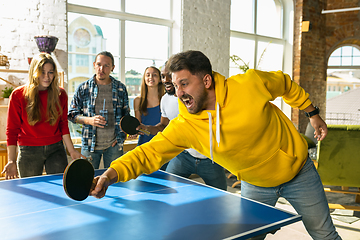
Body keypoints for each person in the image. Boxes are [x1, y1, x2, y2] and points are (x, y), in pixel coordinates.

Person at [90, 50, 341, 240]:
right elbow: (148, 153)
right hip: (256, 185)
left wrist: (312, 112)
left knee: (325, 235)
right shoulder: (186, 125)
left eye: (184, 83)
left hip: (298, 172)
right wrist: (111, 174)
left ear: (207, 81)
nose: (179, 93)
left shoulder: (249, 85)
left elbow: (285, 84)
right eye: (175, 86)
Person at [140, 63, 227, 190]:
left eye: (169, 76)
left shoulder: (196, 97)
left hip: (210, 158)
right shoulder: (165, 100)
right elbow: (164, 125)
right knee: (167, 189)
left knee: (223, 197)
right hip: (183, 155)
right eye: (163, 76)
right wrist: (145, 128)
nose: (166, 80)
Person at [2, 53, 85, 179]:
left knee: (59, 188)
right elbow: (12, 130)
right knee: (30, 191)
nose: (47, 77)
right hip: (28, 150)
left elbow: (63, 125)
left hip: (56, 148)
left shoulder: (60, 94)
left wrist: (72, 150)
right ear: (34, 72)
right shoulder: (18, 95)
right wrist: (11, 160)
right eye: (42, 72)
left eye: (50, 72)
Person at [68, 51, 130, 169]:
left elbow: (126, 115)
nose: (102, 68)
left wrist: (122, 136)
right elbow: (71, 114)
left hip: (114, 145)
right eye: (99, 64)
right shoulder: (83, 88)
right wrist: (89, 120)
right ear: (94, 65)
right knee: (87, 181)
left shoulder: (120, 88)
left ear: (112, 68)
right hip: (89, 144)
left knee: (114, 181)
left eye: (106, 65)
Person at [133, 66, 164, 147]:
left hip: (163, 143)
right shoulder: (137, 101)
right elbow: (138, 124)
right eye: (148, 75)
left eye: (154, 75)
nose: (151, 77)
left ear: (160, 79)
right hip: (144, 143)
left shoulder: (165, 99)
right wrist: (134, 131)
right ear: (144, 78)